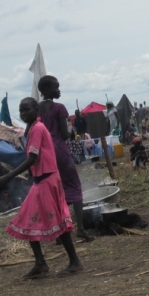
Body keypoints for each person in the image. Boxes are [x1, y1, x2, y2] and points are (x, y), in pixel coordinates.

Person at [0, 97, 83, 279]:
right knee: (29, 219)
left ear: (36, 110)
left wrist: (8, 176)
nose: (23, 114)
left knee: (54, 221)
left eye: (27, 110)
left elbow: (33, 158)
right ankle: (40, 262)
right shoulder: (34, 128)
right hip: (43, 179)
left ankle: (74, 261)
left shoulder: (38, 129)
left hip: (47, 180)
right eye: (21, 111)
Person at [37, 75, 95, 243]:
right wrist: (69, 131)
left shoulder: (37, 109)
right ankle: (81, 229)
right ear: (47, 90)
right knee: (74, 186)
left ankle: (59, 233)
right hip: (59, 150)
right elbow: (63, 134)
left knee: (55, 190)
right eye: (56, 88)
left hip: (44, 153)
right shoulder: (59, 108)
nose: (59, 90)